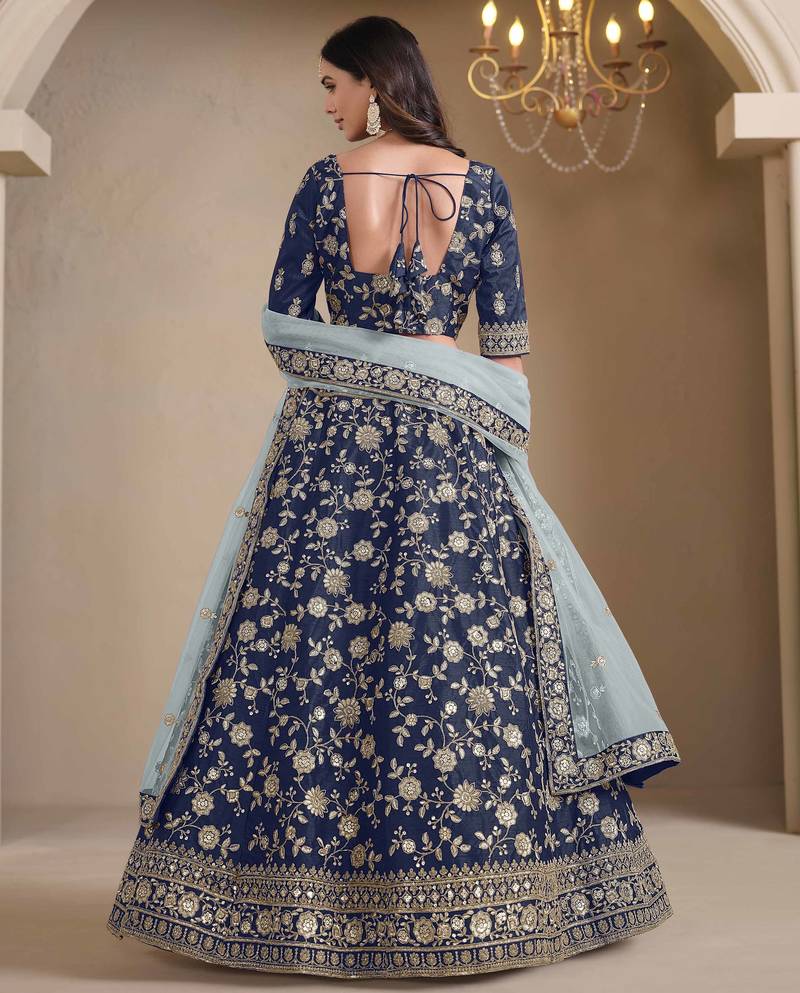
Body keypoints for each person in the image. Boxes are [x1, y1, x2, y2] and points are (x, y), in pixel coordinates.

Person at [106, 15, 680, 980]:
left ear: (374, 83)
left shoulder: (320, 187)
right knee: (460, 651)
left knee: (312, 649)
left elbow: (285, 330)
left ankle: (298, 907)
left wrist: (367, 361)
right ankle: (486, 904)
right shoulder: (485, 188)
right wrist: (442, 385)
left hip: (329, 453)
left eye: (332, 85)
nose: (326, 104)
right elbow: (508, 360)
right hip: (452, 456)